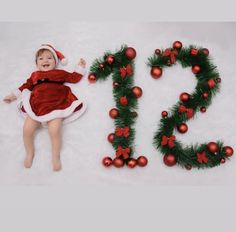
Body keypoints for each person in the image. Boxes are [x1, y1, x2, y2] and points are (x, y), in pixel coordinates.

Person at [3, 44, 87, 171]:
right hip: (36, 106)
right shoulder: (35, 75)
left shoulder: (60, 73)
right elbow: (25, 86)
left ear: (55, 62)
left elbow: (73, 78)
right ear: (36, 63)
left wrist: (80, 67)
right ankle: (29, 153)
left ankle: (55, 156)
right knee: (26, 130)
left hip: (56, 105)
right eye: (41, 59)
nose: (45, 61)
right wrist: (12, 95)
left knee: (54, 130)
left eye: (49, 58)